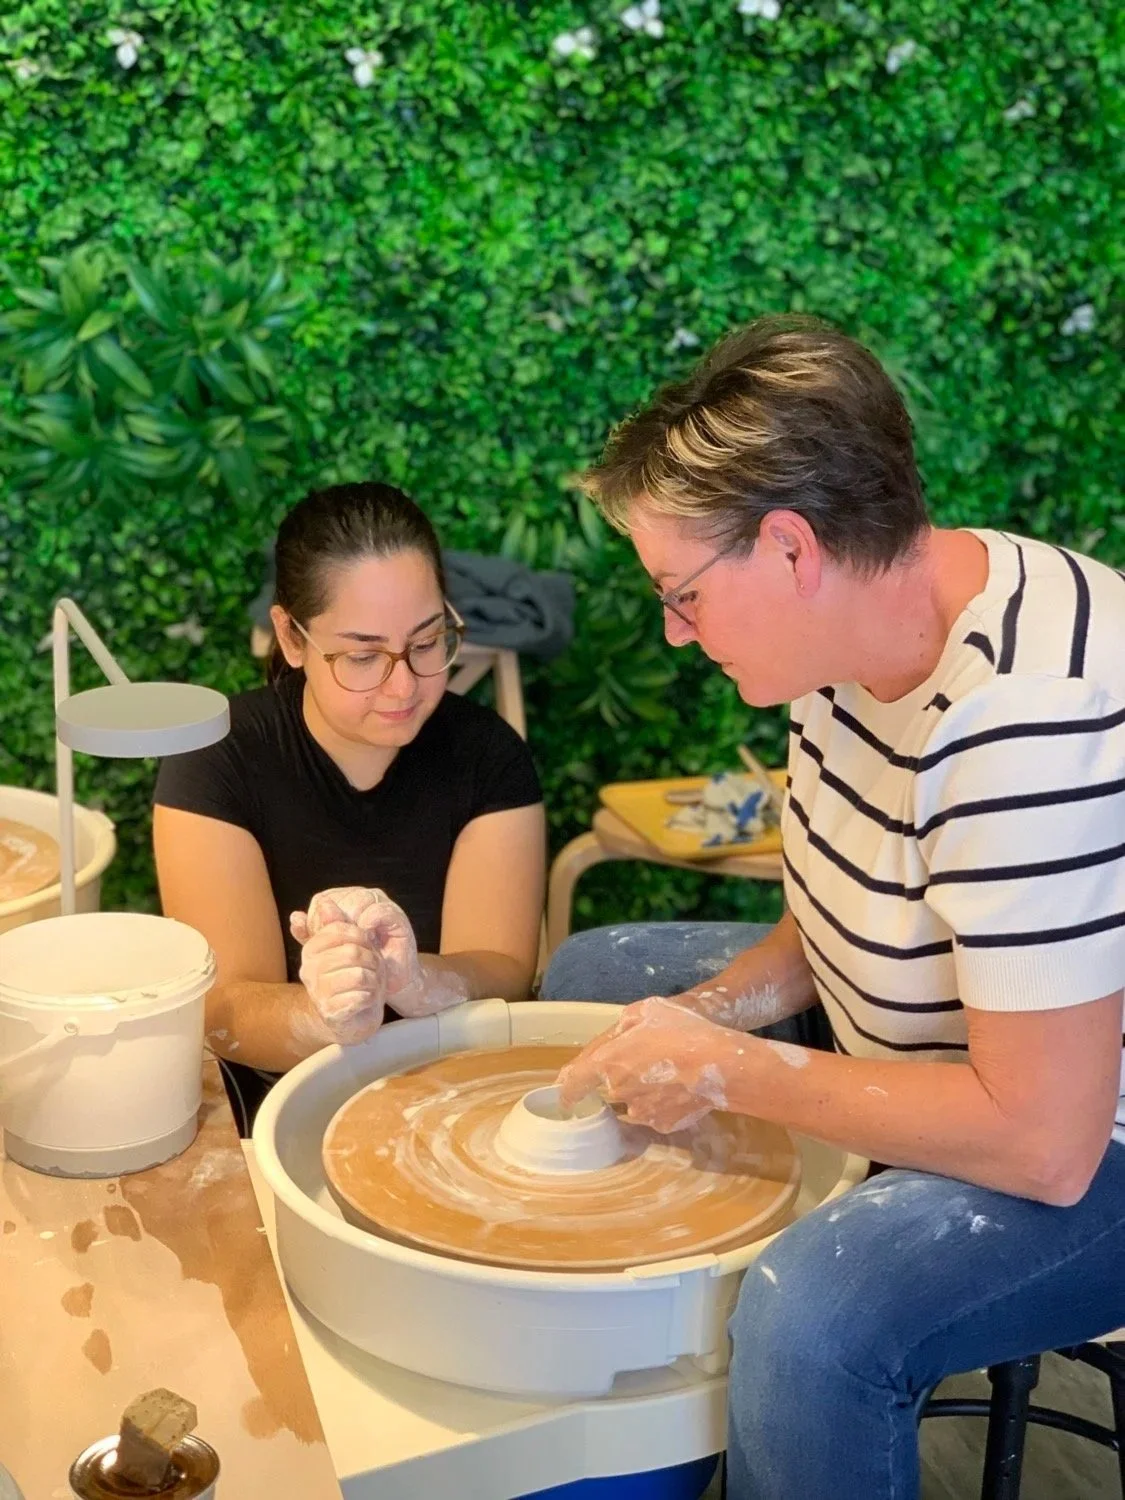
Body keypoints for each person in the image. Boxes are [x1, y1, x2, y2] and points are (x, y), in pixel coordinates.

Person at [547, 316, 1125, 1500]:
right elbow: (835, 917)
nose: (673, 630)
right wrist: (703, 1018)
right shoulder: (853, 631)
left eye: (681, 594)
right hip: (949, 1051)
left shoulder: (1026, 719)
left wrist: (730, 1070)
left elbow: (1044, 1140)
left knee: (810, 1316)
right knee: (601, 983)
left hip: (1087, 1141)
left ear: (789, 547)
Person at [154, 482, 546, 1129]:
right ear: (292, 637)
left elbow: (504, 970)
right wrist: (322, 1016)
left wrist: (420, 982)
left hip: (450, 1097)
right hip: (275, 1105)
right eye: (363, 656)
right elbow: (224, 1009)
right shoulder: (217, 760)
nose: (403, 685)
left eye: (427, 642)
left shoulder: (489, 756)